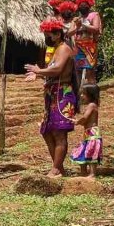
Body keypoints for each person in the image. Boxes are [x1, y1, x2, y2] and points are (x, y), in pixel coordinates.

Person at [25, 18, 78, 177]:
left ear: (56, 34)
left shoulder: (64, 48)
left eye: (48, 35)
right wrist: (38, 75)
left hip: (63, 94)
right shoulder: (56, 49)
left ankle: (55, 169)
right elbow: (52, 73)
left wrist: (39, 70)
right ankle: (58, 167)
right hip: (52, 95)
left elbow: (58, 69)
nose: (46, 38)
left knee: (59, 132)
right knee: (47, 131)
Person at [70, 84, 102, 177]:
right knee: (83, 151)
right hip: (88, 133)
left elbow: (84, 118)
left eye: (83, 94)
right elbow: (85, 121)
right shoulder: (91, 105)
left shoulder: (91, 105)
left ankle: (92, 173)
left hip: (92, 132)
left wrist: (77, 122)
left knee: (92, 152)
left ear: (90, 95)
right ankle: (83, 172)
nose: (81, 96)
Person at [72, 0, 102, 86]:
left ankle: (92, 92)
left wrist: (83, 25)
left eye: (84, 5)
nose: (82, 6)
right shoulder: (77, 18)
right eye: (80, 5)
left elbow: (96, 29)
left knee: (90, 69)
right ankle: (80, 92)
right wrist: (76, 26)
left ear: (89, 5)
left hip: (90, 46)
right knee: (78, 69)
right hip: (78, 47)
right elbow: (72, 32)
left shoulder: (94, 15)